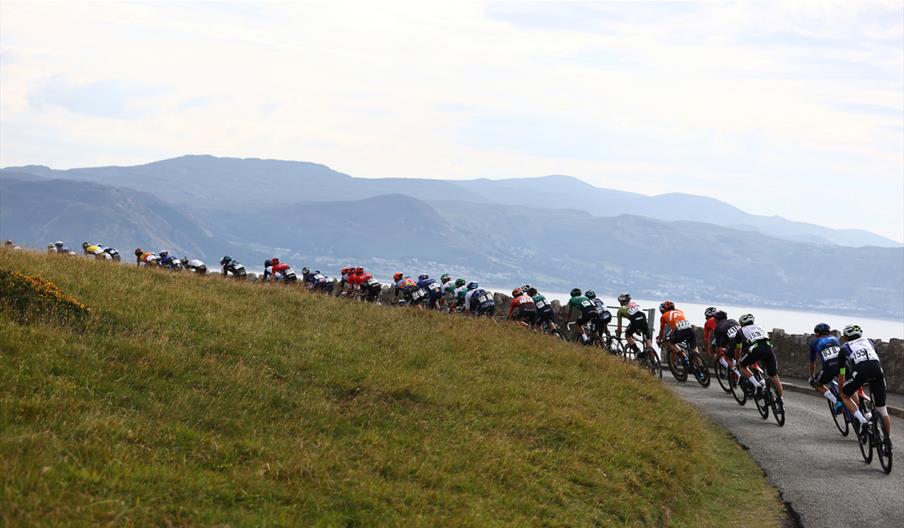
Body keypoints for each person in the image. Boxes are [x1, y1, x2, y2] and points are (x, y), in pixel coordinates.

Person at [839, 324, 892, 440]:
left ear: (846, 337)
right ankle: (888, 442)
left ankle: (863, 421)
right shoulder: (870, 341)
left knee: (844, 395)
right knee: (882, 410)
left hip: (860, 373)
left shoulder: (844, 348)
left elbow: (842, 373)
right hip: (877, 371)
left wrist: (841, 389)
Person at [728, 314, 784, 410]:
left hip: (755, 349)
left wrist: (737, 361)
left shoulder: (740, 331)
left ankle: (757, 385)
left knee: (742, 365)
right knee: (774, 376)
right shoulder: (761, 326)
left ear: (741, 324)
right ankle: (781, 401)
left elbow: (738, 349)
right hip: (768, 348)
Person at [807, 323, 844, 414]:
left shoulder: (815, 342)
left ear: (817, 334)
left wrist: (812, 377)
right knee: (846, 385)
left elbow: (813, 363)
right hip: (843, 366)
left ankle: (836, 401)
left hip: (829, 368)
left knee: (816, 384)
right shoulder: (835, 339)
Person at [656, 301, 702, 370]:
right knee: (694, 348)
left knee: (670, 342)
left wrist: (660, 340)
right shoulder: (680, 311)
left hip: (679, 331)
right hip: (689, 329)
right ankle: (700, 365)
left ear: (664, 310)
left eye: (661, 310)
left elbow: (662, 331)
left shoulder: (663, 316)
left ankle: (682, 356)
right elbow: (677, 322)